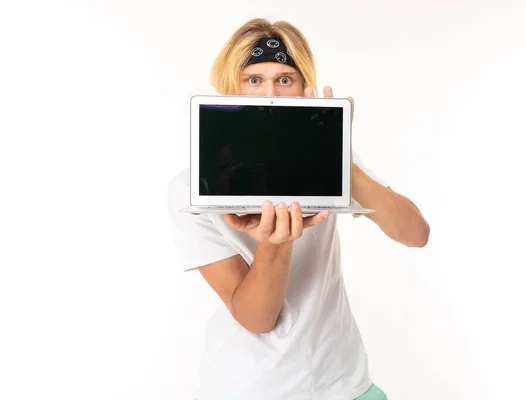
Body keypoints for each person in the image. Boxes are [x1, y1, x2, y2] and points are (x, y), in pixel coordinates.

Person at [166, 18, 430, 400]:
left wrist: (336, 155)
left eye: (284, 79)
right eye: (253, 80)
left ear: (303, 86)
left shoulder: (328, 166)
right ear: (229, 87)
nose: (269, 92)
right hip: (252, 387)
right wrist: (274, 245)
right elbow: (257, 319)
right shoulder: (190, 190)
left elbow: (415, 234)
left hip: (344, 382)